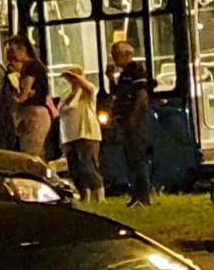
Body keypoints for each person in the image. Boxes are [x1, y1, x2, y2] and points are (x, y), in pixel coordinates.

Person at [107, 41, 153, 206]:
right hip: (125, 120)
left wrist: (134, 119)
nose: (113, 59)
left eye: (115, 55)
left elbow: (142, 97)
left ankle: (143, 195)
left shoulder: (136, 71)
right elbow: (117, 94)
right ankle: (136, 194)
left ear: (126, 54)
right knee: (130, 158)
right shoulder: (124, 74)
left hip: (135, 122)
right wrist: (111, 79)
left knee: (138, 157)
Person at [57, 67, 104, 203]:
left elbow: (88, 88)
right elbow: (63, 109)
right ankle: (85, 193)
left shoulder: (88, 93)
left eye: (73, 78)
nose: (71, 81)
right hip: (69, 136)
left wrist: (79, 84)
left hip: (86, 134)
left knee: (88, 165)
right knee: (75, 168)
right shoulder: (66, 95)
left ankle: (99, 194)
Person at [8, 37, 51, 158]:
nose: (12, 56)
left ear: (23, 50)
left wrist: (16, 97)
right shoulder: (31, 66)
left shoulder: (32, 67)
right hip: (33, 113)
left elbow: (24, 93)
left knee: (30, 153)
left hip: (35, 115)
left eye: (13, 51)